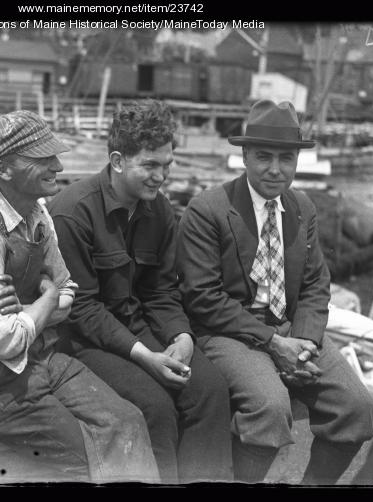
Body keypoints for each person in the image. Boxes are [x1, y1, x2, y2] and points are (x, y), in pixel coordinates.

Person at [0, 110, 160, 483]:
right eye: (43, 158)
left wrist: (30, 312)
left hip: (38, 360)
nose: (58, 165)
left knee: (128, 421)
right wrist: (44, 300)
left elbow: (69, 294)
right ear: (4, 169)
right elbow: (5, 340)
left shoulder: (37, 214)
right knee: (91, 454)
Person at [176, 99, 373, 485]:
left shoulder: (301, 206)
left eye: (286, 158)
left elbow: (317, 283)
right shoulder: (208, 209)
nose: (275, 169)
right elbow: (202, 297)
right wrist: (273, 343)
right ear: (244, 155)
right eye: (263, 157)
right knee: (270, 408)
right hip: (229, 331)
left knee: (358, 408)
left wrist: (303, 339)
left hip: (290, 329)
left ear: (297, 160)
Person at [46, 100, 233, 484]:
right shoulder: (72, 212)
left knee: (210, 391)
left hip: (141, 330)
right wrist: (146, 356)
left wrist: (181, 336)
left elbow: (163, 290)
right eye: (150, 165)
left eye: (167, 165)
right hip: (86, 342)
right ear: (117, 161)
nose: (161, 176)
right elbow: (82, 310)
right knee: (156, 408)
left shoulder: (160, 211)